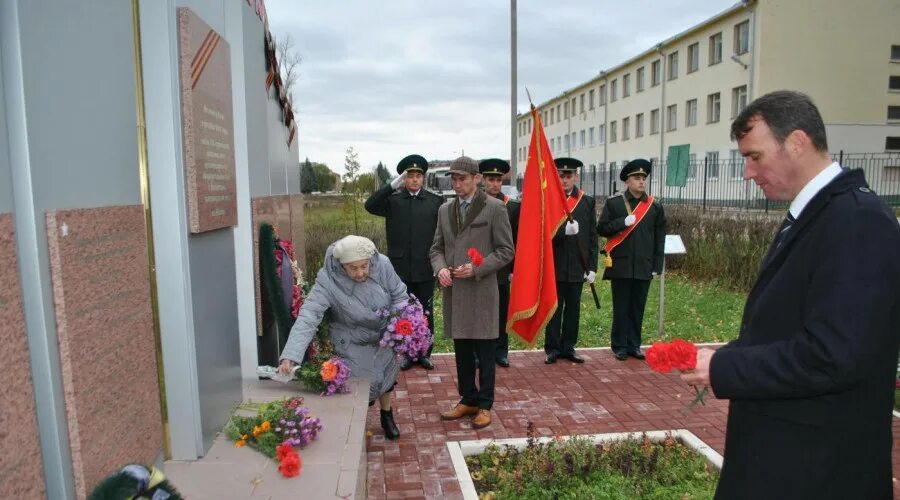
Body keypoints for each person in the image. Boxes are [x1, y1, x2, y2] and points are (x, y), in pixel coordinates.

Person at [680, 90, 900, 499]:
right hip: (789, 456)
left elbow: (834, 355)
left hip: (818, 469)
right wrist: (724, 357)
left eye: (755, 156)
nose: (747, 172)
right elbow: (789, 325)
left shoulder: (857, 222)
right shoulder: (818, 213)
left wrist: (725, 369)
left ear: (797, 142)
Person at [277, 235, 409, 440]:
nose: (360, 273)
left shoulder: (382, 264)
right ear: (341, 265)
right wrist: (291, 355)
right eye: (353, 268)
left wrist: (399, 323)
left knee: (387, 377)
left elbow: (399, 295)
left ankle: (386, 414)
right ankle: (358, 425)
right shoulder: (327, 280)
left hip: (384, 335)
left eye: (364, 266)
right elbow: (309, 315)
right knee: (359, 386)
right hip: (351, 339)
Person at [430, 156, 514, 429]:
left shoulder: (494, 208)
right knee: (462, 349)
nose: (457, 184)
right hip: (456, 293)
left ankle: (486, 404)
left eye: (462, 179)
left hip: (482, 291)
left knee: (486, 351)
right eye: (453, 179)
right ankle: (468, 398)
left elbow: (506, 251)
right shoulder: (444, 210)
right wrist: (441, 268)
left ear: (476, 179)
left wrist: (478, 268)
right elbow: (436, 249)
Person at [364, 154, 444, 371]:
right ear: (404, 179)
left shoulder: (435, 202)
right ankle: (407, 352)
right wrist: (391, 186)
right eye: (410, 176)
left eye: (419, 175)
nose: (415, 179)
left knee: (426, 311)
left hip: (425, 267)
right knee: (402, 312)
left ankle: (425, 352)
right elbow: (369, 205)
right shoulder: (393, 201)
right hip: (399, 269)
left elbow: (442, 236)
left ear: (423, 178)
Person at [596, 159, 665, 361]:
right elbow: (601, 229)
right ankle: (619, 345)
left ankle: (634, 345)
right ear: (627, 181)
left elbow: (659, 237)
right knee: (622, 306)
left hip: (644, 264)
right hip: (621, 264)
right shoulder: (614, 203)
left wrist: (656, 265)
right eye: (637, 178)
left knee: (638, 307)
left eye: (643, 178)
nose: (641, 182)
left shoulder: (654, 207)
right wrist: (621, 223)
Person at [544, 157, 598, 364]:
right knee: (554, 309)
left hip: (578, 266)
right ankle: (552, 348)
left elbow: (593, 237)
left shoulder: (586, 202)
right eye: (561, 176)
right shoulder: (550, 200)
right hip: (555, 265)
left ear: (576, 177)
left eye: (568, 176)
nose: (565, 180)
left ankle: (569, 347)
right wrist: (561, 234)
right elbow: (543, 236)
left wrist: (592, 267)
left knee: (573, 309)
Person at [479, 158, 520, 368]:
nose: (494, 184)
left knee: (501, 311)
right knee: (482, 312)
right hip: (480, 267)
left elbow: (517, 240)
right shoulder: (475, 204)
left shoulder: (512, 207)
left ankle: (501, 351)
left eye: (498, 180)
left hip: (504, 270)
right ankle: (481, 353)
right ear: (482, 180)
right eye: (490, 179)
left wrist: (514, 269)